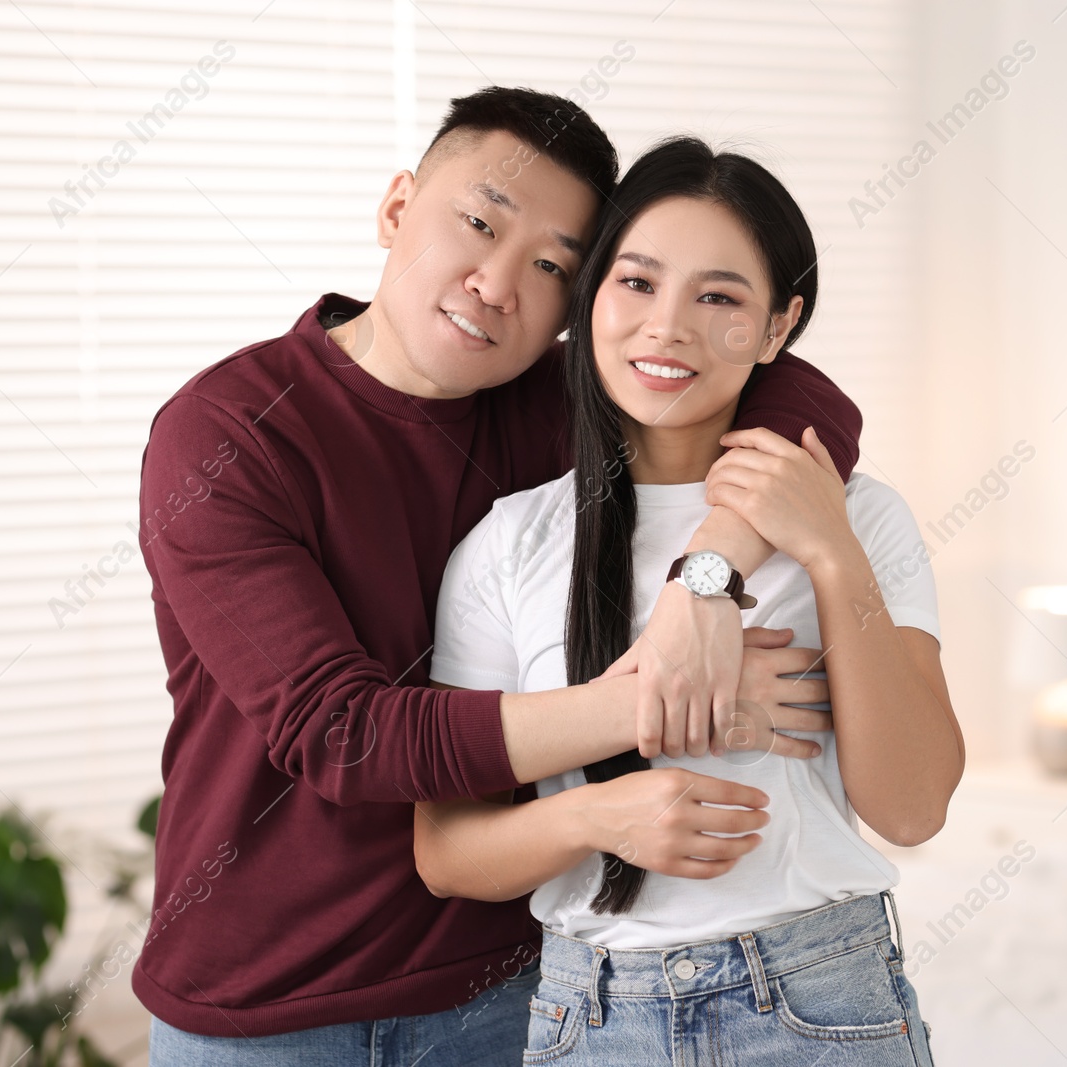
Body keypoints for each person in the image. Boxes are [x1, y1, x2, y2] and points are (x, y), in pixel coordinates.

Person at [134, 89, 868, 1064]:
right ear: (398, 209)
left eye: (553, 265)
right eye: (477, 222)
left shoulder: (560, 413)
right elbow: (341, 733)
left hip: (511, 983)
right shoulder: (227, 434)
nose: (495, 281)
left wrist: (704, 578)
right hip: (265, 1002)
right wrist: (664, 700)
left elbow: (809, 400)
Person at [417, 136, 964, 1065]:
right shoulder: (513, 542)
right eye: (636, 282)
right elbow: (449, 852)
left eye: (719, 297)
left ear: (779, 327)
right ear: (591, 295)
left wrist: (830, 552)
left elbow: (912, 807)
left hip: (821, 999)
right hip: (590, 1015)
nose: (665, 327)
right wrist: (602, 814)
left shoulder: (861, 515)